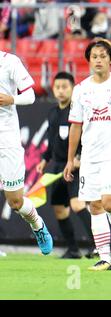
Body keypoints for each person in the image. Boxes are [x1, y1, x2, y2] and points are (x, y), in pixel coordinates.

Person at [63, 39, 111, 271]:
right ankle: (105, 258)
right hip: (89, 157)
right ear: (88, 60)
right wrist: (70, 159)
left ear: (110, 59)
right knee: (95, 206)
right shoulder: (80, 89)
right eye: (94, 56)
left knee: (109, 203)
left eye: (102, 55)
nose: (98, 59)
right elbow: (75, 126)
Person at [36, 71, 96, 259]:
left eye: (65, 87)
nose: (61, 91)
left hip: (74, 166)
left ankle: (98, 246)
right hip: (57, 167)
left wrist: (79, 158)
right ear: (53, 89)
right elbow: (51, 140)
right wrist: (45, 160)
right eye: (57, 87)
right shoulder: (52, 113)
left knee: (77, 205)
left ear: (72, 88)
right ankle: (73, 249)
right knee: (60, 210)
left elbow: (88, 137)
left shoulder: (78, 111)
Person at [0, 50, 53, 255]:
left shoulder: (9, 61)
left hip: (7, 139)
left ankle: (37, 224)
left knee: (15, 201)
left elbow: (30, 96)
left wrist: (10, 99)